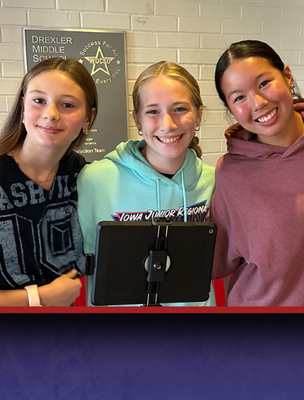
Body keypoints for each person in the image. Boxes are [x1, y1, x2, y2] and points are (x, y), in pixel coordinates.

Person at [211, 40, 304, 306]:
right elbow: (217, 261)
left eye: (264, 83)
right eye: (239, 97)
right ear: (231, 109)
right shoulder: (230, 173)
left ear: (287, 76)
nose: (257, 102)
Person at [77, 61, 216, 306]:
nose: (168, 124)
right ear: (138, 121)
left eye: (180, 109)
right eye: (153, 111)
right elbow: (80, 265)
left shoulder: (214, 182)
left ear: (199, 115)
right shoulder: (95, 180)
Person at [0, 58, 97, 306]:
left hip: (66, 339)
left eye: (67, 105)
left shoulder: (81, 173)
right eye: (39, 100)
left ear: (88, 118)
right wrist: (37, 298)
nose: (51, 114)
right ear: (22, 106)